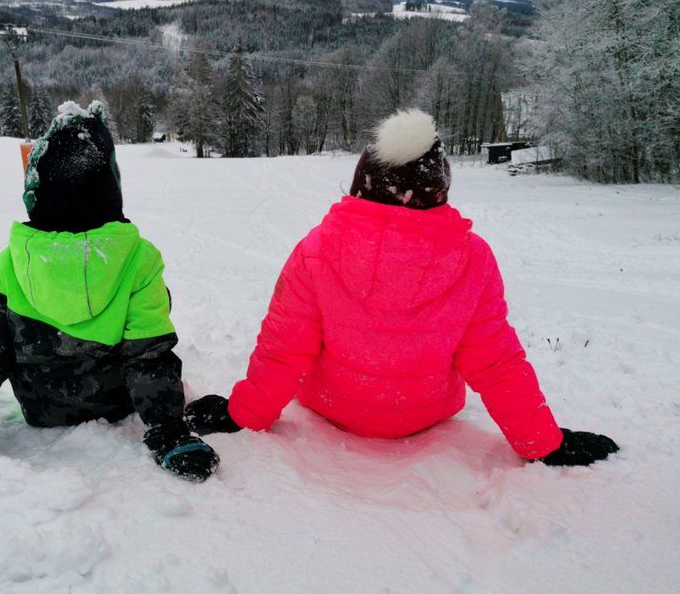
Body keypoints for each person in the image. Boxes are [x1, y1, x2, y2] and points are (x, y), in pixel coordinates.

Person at [186, 109, 618, 467]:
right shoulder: (473, 258)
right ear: (439, 189)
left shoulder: (316, 249)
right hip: (425, 417)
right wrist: (545, 443)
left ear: (363, 182)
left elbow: (284, 348)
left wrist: (243, 415)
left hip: (330, 409)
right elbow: (496, 362)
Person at [0, 102, 219, 482]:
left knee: (2, 328)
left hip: (40, 408)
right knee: (150, 316)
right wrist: (168, 429)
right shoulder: (139, 259)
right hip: (114, 404)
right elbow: (149, 355)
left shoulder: (14, 261)